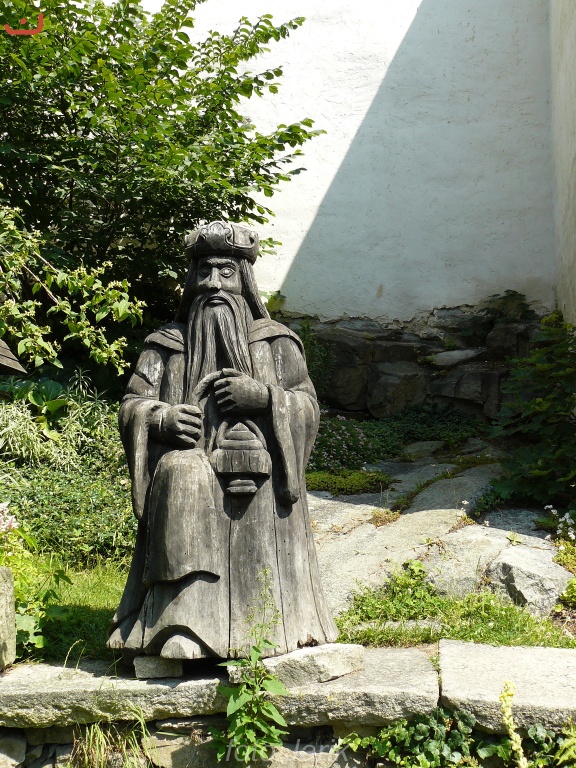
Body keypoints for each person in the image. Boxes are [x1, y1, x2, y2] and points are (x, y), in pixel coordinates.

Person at [107, 221, 337, 661]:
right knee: (181, 472)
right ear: (191, 280)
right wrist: (162, 419)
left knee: (254, 489)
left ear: (244, 280)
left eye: (226, 273)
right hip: (190, 460)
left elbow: (307, 406)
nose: (214, 284)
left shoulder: (275, 343)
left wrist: (265, 399)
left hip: (258, 467)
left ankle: (269, 623)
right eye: (204, 272)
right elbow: (133, 404)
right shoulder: (166, 345)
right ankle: (179, 624)